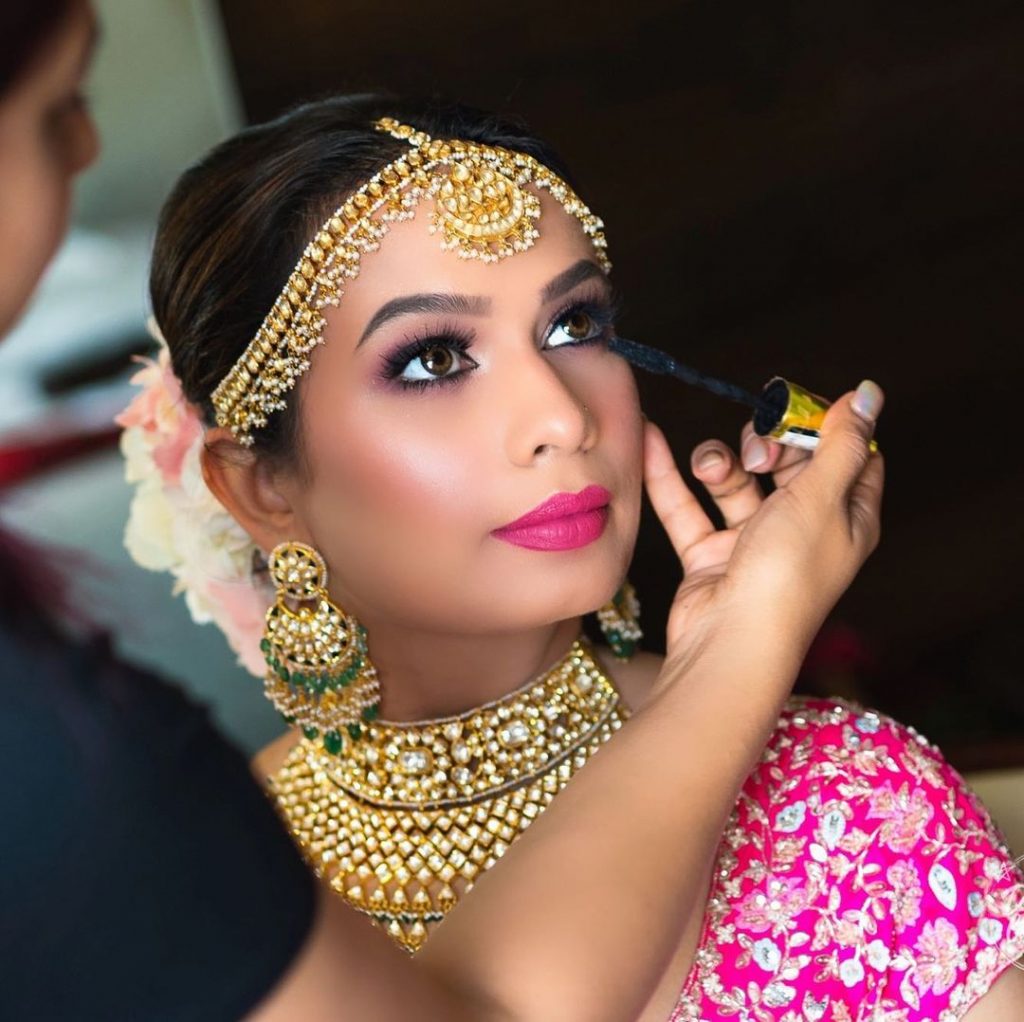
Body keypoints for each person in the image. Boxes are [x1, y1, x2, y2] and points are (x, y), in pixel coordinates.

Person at [2, 3, 969, 1021]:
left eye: (573, 323)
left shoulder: (844, 801)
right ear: (261, 485)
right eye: (431, 358)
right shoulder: (195, 848)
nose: (557, 416)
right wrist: (744, 648)